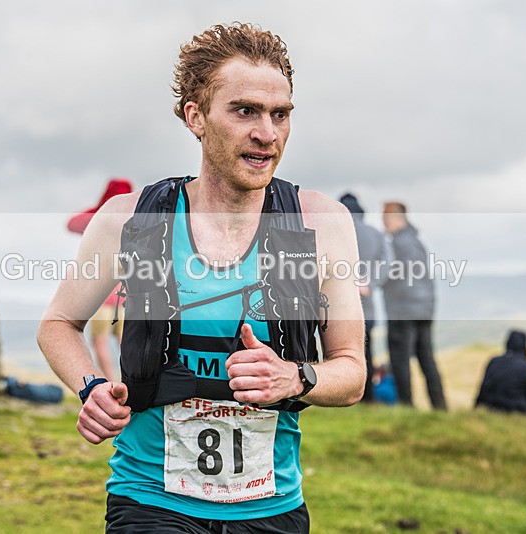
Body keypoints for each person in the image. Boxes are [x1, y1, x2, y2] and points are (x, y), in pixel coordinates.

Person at [38, 22, 365, 533]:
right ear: (196, 116)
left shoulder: (321, 223)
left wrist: (294, 376)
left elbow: (352, 372)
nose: (267, 133)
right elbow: (58, 323)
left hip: (271, 509)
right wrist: (92, 387)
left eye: (280, 114)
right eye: (244, 111)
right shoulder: (130, 219)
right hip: (150, 500)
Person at [67, 178, 134, 382]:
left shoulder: (98, 222)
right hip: (128, 300)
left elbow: (72, 224)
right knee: (126, 344)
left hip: (102, 299)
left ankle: (111, 386)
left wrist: (100, 209)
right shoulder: (137, 225)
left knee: (100, 342)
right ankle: (132, 385)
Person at [382, 201, 446, 410]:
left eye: (385, 218)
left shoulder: (398, 244)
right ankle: (440, 406)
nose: (384, 223)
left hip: (403, 310)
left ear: (396, 217)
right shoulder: (417, 242)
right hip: (424, 309)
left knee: (400, 360)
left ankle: (406, 406)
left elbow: (392, 274)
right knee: (426, 358)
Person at [339, 193, 386, 402]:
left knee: (341, 353)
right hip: (367, 307)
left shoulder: (336, 230)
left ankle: (344, 396)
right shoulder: (375, 234)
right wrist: (370, 283)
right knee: (367, 351)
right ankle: (368, 397)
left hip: (339, 307)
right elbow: (389, 262)